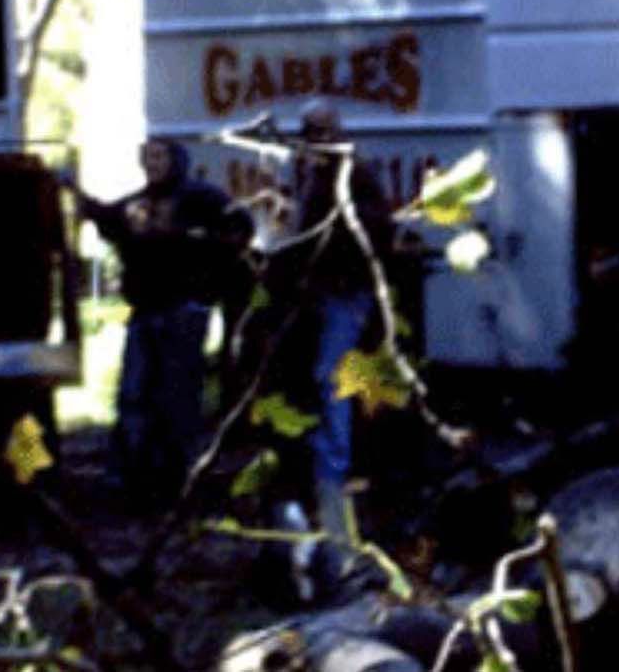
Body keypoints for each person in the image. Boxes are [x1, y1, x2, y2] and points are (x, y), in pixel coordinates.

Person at [62, 138, 251, 506]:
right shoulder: (136, 203)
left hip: (185, 311)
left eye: (159, 156)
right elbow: (106, 219)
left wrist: (198, 252)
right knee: (134, 396)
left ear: (177, 159)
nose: (152, 163)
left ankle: (178, 481)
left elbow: (240, 230)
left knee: (177, 398)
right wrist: (76, 193)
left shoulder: (203, 199)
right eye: (146, 157)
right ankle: (132, 477)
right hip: (144, 313)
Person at [284, 99, 395, 580]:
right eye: (310, 129)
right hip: (317, 296)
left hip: (345, 294)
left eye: (324, 129)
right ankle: (316, 480)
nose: (316, 137)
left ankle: (334, 480)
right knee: (312, 383)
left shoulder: (352, 174)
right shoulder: (308, 175)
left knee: (334, 382)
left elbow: (367, 232)